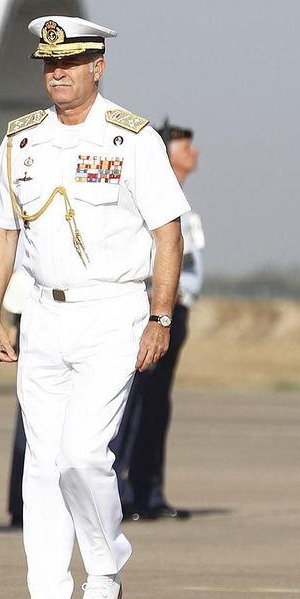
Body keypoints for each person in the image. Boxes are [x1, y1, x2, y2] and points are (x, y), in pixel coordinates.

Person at [0, 15, 188, 599]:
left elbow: (167, 232)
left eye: (70, 62)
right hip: (44, 314)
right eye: (49, 64)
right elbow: (3, 229)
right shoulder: (21, 141)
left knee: (82, 455)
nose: (58, 73)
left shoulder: (132, 139)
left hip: (113, 313)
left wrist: (161, 315)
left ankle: (104, 568)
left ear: (98, 67)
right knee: (40, 469)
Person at [114, 120, 202, 521]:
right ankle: (124, 493)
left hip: (176, 313)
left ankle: (150, 491)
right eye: (186, 146)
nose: (194, 153)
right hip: (151, 312)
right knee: (133, 406)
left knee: (156, 408)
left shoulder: (183, 205)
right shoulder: (143, 199)